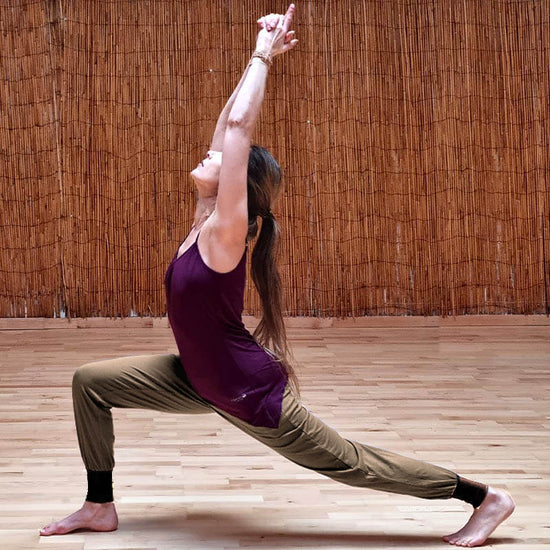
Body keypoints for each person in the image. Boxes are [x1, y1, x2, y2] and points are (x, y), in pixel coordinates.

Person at [40, 5, 514, 547]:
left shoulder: (226, 232)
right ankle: (99, 505)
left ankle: (483, 498)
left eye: (221, 158)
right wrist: (256, 50)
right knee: (91, 383)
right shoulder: (203, 219)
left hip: (247, 392)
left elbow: (239, 129)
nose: (209, 154)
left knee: (350, 463)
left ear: (237, 184)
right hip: (199, 379)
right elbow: (227, 129)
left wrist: (264, 55)